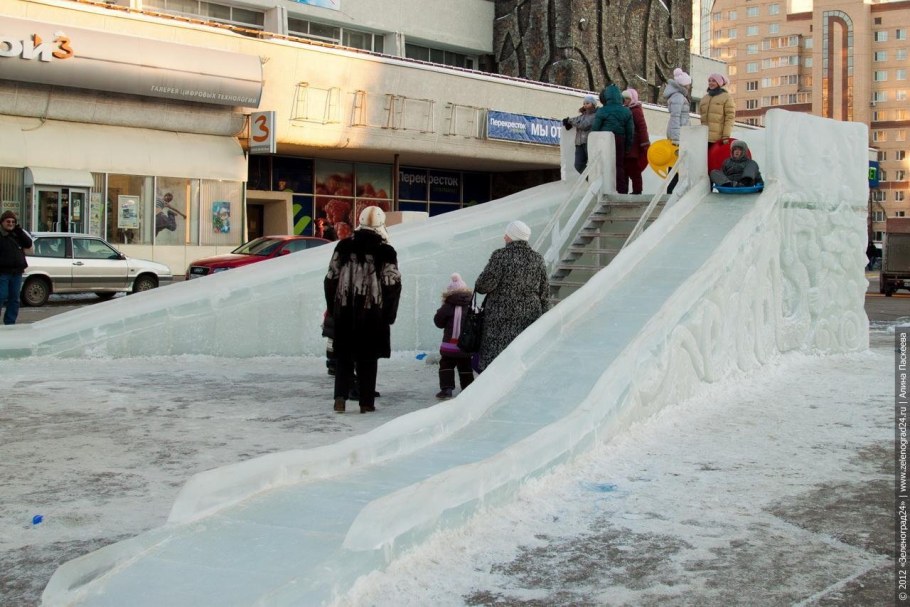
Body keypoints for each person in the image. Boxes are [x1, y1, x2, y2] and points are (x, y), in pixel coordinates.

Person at [324, 205, 401, 414]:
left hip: (345, 312)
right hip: (373, 315)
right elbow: (392, 284)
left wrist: (334, 309)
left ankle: (340, 398)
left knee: (343, 357)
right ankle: (366, 403)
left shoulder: (343, 246)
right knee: (368, 359)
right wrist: (388, 315)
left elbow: (330, 279)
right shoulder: (386, 251)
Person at [474, 220, 549, 372]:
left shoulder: (500, 256)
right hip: (530, 315)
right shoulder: (537, 258)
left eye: (507, 234)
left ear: (512, 236)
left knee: (496, 361)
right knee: (522, 358)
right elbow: (544, 291)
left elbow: (483, 286)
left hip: (500, 317)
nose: (504, 237)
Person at [433, 272, 475, 399]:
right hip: (466, 345)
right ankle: (468, 389)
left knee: (446, 365)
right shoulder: (471, 306)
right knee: (465, 366)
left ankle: (447, 389)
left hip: (449, 345)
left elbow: (438, 322)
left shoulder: (447, 306)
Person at [592, 84, 634, 194]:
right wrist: (628, 147)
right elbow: (630, 131)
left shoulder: (601, 111)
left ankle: (604, 189)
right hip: (620, 139)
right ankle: (622, 190)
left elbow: (595, 128)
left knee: (604, 165)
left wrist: (594, 144)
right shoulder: (626, 111)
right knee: (619, 165)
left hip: (605, 140)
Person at [0, 210, 33, 325]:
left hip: (17, 273)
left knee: (14, 299)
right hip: (3, 273)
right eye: (8, 221)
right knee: (1, 296)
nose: (10, 224)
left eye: (13, 222)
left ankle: (10, 323)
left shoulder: (16, 234)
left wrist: (18, 230)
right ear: (2, 222)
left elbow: (28, 243)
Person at [663, 68, 691, 193]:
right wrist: (676, 137)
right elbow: (675, 117)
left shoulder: (678, 96)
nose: (689, 86)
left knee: (676, 164)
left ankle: (672, 189)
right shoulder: (678, 97)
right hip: (678, 135)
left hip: (680, 133)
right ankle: (671, 191)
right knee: (675, 164)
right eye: (688, 84)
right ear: (683, 84)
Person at [621, 88, 651, 195]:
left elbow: (642, 127)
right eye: (624, 99)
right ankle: (624, 191)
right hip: (626, 144)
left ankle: (637, 191)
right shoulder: (624, 110)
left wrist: (645, 143)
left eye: (628, 99)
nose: (625, 101)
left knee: (634, 169)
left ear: (632, 99)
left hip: (634, 145)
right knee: (624, 169)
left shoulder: (636, 110)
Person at [562, 94, 599, 174]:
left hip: (588, 142)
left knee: (593, 163)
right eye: (584, 103)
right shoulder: (583, 115)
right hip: (579, 143)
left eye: (587, 103)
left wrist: (570, 121)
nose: (585, 105)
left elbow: (584, 125)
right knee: (578, 165)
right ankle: (589, 179)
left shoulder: (595, 115)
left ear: (593, 104)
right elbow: (576, 119)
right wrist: (568, 121)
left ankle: (594, 178)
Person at [699, 72, 736, 146]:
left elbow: (730, 118)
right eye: (709, 81)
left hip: (718, 139)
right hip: (704, 138)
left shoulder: (726, 97)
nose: (711, 83)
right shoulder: (704, 98)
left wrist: (726, 136)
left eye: (713, 81)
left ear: (719, 83)